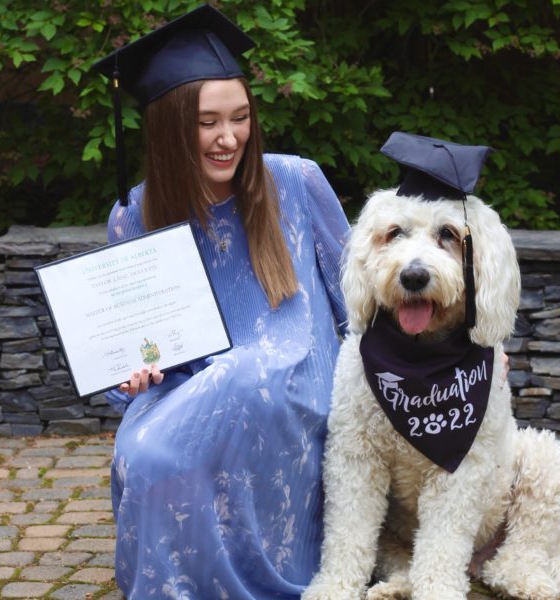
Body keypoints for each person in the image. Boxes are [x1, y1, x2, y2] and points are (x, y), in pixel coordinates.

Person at [92, 5, 350, 599]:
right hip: (183, 391)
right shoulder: (135, 215)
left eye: (240, 118)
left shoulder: (295, 181)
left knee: (244, 374)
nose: (228, 138)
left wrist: (454, 348)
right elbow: (127, 356)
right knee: (143, 448)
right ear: (171, 128)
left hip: (292, 377)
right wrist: (131, 380)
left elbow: (360, 297)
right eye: (207, 122)